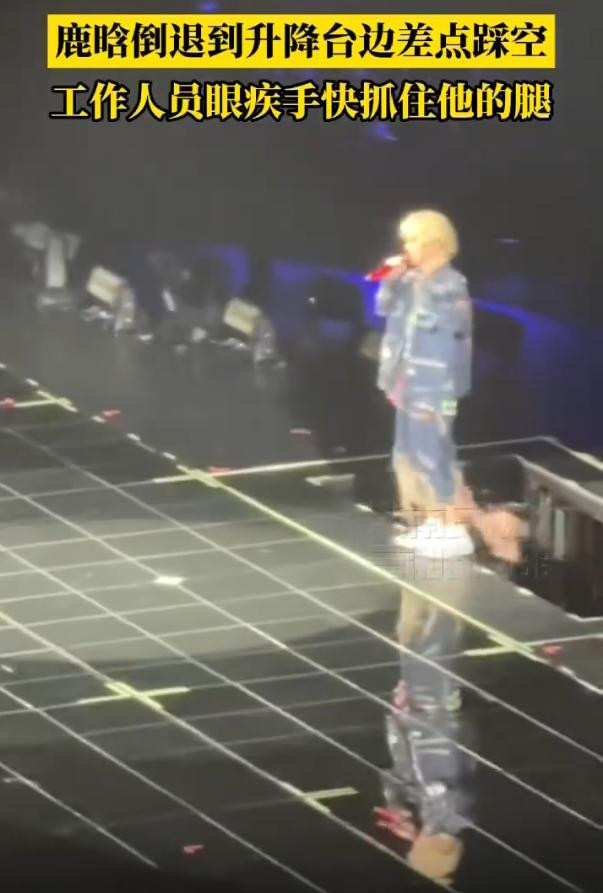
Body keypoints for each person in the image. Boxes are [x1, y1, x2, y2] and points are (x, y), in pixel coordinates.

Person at [375, 209, 522, 562]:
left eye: (413, 239)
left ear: (434, 242)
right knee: (407, 454)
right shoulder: (410, 281)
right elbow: (384, 308)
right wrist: (391, 279)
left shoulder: (450, 286)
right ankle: (431, 521)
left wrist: (433, 393)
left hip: (435, 389)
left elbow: (447, 342)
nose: (407, 246)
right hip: (407, 382)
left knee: (434, 454)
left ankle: (452, 527)